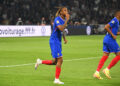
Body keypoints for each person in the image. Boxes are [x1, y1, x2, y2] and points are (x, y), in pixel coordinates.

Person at [35, 7, 70, 84]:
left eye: (67, 10)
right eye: (65, 10)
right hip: (54, 41)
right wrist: (67, 20)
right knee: (60, 60)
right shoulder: (57, 19)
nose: (66, 12)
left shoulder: (63, 20)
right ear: (60, 12)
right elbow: (61, 28)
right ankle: (56, 80)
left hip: (58, 42)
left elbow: (63, 30)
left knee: (55, 61)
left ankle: (40, 61)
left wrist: (64, 38)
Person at [93, 11, 120, 79]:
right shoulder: (115, 20)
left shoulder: (117, 21)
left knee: (105, 56)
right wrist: (113, 35)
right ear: (118, 14)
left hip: (106, 39)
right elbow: (106, 27)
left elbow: (114, 31)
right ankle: (107, 69)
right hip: (110, 40)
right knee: (119, 55)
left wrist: (116, 33)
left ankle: (97, 72)